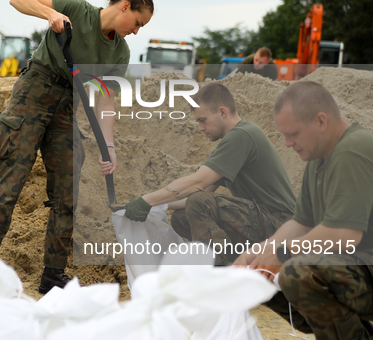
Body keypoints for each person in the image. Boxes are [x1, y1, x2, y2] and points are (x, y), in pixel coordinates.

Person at [0, 0, 154, 294]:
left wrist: (109, 146)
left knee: (67, 193)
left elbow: (104, 101)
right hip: (34, 92)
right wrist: (50, 14)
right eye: (138, 23)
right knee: (10, 184)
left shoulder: (119, 52)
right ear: (125, 7)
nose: (137, 32)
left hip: (67, 105)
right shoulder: (78, 10)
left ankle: (53, 275)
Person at [234, 81, 373, 340]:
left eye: (293, 134)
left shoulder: (351, 151)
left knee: (297, 272)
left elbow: (345, 234)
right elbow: (301, 223)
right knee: (259, 277)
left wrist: (281, 254)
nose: (287, 143)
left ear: (321, 121)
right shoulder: (319, 160)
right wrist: (261, 252)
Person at [125, 82, 296, 265]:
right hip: (264, 222)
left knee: (198, 203)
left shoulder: (242, 135)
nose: (200, 128)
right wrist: (157, 206)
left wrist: (147, 200)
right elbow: (204, 189)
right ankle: (233, 263)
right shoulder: (232, 140)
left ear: (222, 112)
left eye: (202, 120)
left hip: (282, 226)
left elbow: (197, 183)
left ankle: (216, 272)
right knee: (182, 218)